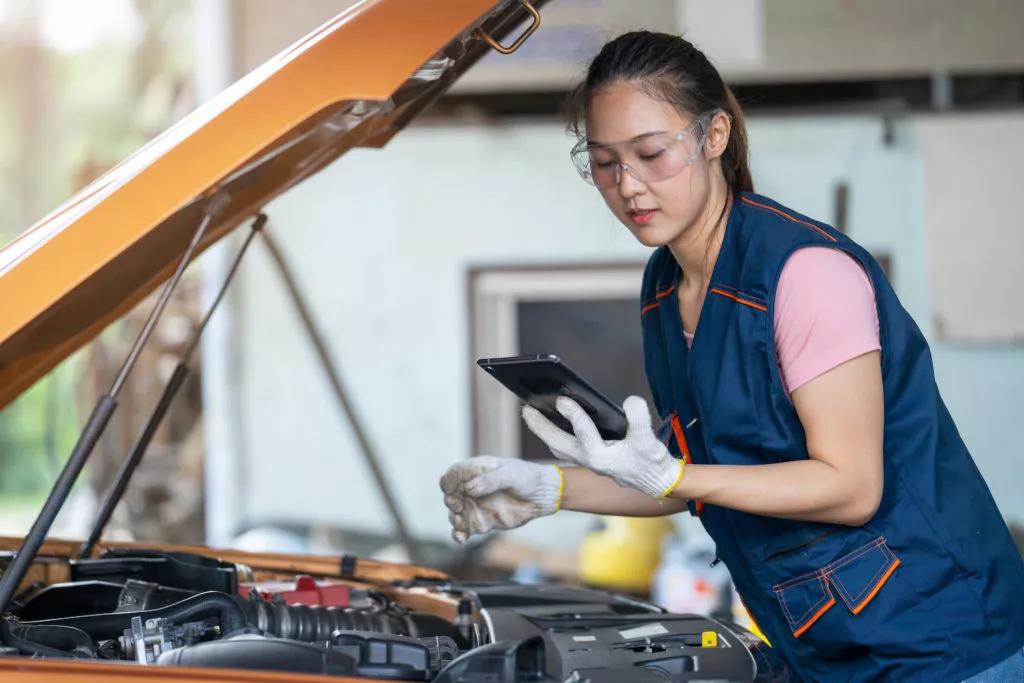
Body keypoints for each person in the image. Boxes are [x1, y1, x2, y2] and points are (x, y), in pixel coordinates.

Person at [440, 31, 1024, 682]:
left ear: (713, 135)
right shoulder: (664, 286)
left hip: (940, 642)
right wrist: (549, 487)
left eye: (651, 153)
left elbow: (852, 486)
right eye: (604, 162)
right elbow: (696, 475)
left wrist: (675, 477)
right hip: (824, 646)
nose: (628, 184)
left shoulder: (806, 274)